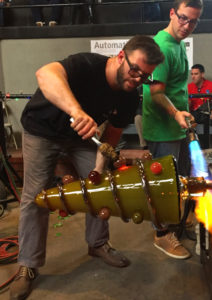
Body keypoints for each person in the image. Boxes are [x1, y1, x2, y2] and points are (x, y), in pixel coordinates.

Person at [9, 35, 165, 300]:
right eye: (135, 70)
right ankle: (28, 264)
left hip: (79, 140)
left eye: (145, 76)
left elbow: (111, 136)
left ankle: (98, 244)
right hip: (41, 131)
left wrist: (98, 168)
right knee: (35, 196)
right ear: (120, 57)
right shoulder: (85, 65)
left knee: (102, 188)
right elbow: (44, 74)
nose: (138, 79)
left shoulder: (129, 96)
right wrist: (77, 112)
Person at [142, 0, 203, 260]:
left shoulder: (178, 44)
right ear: (172, 13)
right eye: (183, 18)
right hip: (163, 129)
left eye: (193, 21)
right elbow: (156, 94)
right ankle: (161, 234)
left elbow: (176, 88)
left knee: (179, 183)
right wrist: (176, 113)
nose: (187, 25)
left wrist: (183, 114)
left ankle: (175, 223)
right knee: (163, 186)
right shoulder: (163, 47)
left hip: (177, 126)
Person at [188, 64, 212, 128]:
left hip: (209, 114)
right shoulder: (189, 87)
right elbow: (187, 105)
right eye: (192, 74)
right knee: (185, 121)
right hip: (194, 114)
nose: (193, 77)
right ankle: (193, 138)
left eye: (196, 74)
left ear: (202, 74)